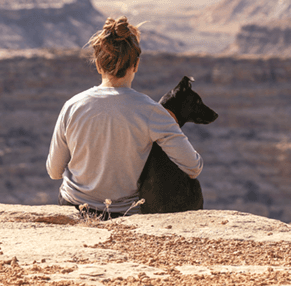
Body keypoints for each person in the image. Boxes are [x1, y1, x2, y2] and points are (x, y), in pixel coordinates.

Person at [46, 16, 203, 218]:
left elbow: (54, 172)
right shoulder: (152, 112)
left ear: (98, 64)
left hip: (73, 207)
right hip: (123, 213)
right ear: (136, 64)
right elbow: (194, 167)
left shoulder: (72, 106)